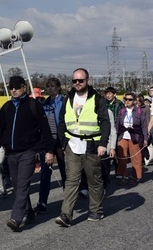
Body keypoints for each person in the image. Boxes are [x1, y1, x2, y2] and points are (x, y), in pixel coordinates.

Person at [0, 76, 55, 232]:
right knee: (17, 185)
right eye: (11, 87)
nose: (13, 89)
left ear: (24, 87)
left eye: (17, 87)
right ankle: (30, 213)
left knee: (23, 184)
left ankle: (16, 217)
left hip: (28, 151)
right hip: (11, 153)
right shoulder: (7, 107)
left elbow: (45, 128)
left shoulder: (34, 105)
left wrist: (49, 150)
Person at [55, 68, 110, 227]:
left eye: (80, 80)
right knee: (71, 180)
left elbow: (105, 122)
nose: (77, 83)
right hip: (72, 144)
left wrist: (102, 144)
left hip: (91, 144)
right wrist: (63, 143)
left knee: (94, 179)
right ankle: (66, 215)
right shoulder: (68, 98)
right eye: (74, 81)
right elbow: (61, 122)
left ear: (88, 80)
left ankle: (96, 210)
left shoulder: (97, 99)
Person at [33, 78, 66, 214]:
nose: (50, 88)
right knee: (45, 173)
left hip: (61, 141)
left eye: (53, 86)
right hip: (47, 141)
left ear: (58, 87)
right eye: (48, 86)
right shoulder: (44, 103)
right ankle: (42, 202)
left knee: (65, 172)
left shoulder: (64, 102)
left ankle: (69, 200)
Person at [115, 92, 148, 185]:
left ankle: (135, 176)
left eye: (130, 99)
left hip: (135, 136)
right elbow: (117, 125)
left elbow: (144, 126)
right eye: (125, 99)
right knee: (122, 157)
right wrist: (115, 137)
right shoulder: (121, 111)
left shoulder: (139, 111)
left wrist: (145, 138)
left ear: (134, 101)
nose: (127, 101)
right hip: (123, 135)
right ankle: (121, 175)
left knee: (135, 157)